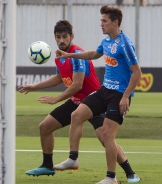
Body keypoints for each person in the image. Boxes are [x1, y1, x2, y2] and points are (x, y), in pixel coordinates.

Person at [18, 20, 140, 183]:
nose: (61, 40)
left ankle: (129, 172)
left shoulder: (77, 55)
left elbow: (77, 84)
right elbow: (59, 78)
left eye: (65, 36)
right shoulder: (59, 57)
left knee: (105, 138)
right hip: (76, 102)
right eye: (58, 37)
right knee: (45, 126)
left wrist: (56, 99)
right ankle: (47, 165)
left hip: (93, 101)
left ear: (71, 36)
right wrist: (34, 87)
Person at [54, 6, 142, 184]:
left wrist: (126, 97)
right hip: (104, 90)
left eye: (104, 21)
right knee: (76, 115)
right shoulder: (107, 41)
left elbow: (137, 73)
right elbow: (94, 54)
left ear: (115, 22)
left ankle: (111, 178)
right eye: (101, 20)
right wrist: (69, 54)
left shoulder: (124, 44)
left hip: (118, 95)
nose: (100, 24)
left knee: (107, 135)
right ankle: (73, 158)